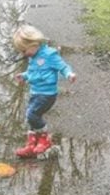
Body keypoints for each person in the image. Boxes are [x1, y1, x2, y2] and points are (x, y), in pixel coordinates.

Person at [13, 24, 76, 158]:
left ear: (34, 44)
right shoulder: (33, 57)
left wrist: (69, 74)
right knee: (30, 117)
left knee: (32, 115)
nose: (24, 54)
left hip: (47, 94)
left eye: (24, 51)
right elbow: (33, 72)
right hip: (35, 92)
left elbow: (62, 66)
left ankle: (45, 140)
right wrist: (24, 75)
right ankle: (31, 144)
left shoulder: (49, 55)